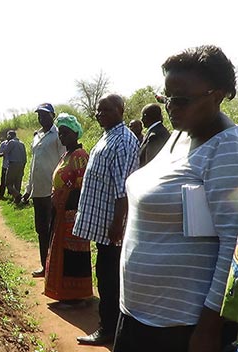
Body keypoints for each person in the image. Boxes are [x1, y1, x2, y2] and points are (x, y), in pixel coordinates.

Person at [114, 45, 238, 352]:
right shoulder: (179, 138)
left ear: (218, 94)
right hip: (138, 316)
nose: (171, 107)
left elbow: (234, 246)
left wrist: (209, 328)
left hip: (182, 327)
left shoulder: (227, 149)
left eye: (181, 100)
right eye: (165, 98)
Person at [73, 94, 139, 345]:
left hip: (112, 227)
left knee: (110, 278)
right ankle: (113, 326)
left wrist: (117, 224)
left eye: (106, 110)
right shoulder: (109, 135)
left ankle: (109, 328)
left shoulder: (122, 140)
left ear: (120, 110)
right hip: (103, 226)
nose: (100, 114)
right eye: (98, 111)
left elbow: (123, 188)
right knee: (106, 274)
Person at [44, 113, 92, 302]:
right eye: (60, 133)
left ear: (75, 133)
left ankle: (76, 297)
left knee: (73, 254)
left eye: (66, 133)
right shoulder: (67, 154)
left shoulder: (80, 156)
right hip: (61, 212)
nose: (62, 137)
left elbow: (81, 187)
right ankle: (63, 293)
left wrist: (68, 207)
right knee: (63, 252)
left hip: (72, 213)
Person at [22, 103, 66, 277]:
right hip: (38, 191)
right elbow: (34, 164)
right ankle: (44, 266)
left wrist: (60, 188)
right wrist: (28, 188)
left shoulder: (58, 135)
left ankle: (54, 268)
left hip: (52, 191)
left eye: (45, 115)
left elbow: (63, 161)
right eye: (39, 115)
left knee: (52, 231)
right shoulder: (37, 135)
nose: (41, 118)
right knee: (41, 230)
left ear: (53, 116)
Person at [2, 130, 27, 203]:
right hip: (22, 164)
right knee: (17, 183)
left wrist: (1, 154)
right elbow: (25, 157)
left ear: (9, 135)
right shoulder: (22, 143)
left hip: (13, 164)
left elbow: (5, 152)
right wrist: (23, 167)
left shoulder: (11, 142)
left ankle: (17, 195)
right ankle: (17, 200)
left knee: (8, 183)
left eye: (7, 135)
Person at [0, 132, 10, 200]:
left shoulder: (14, 144)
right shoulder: (3, 144)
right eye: (8, 135)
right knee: (3, 181)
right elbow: (0, 153)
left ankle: (10, 195)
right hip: (5, 165)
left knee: (11, 181)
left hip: (12, 165)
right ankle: (1, 196)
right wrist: (0, 154)